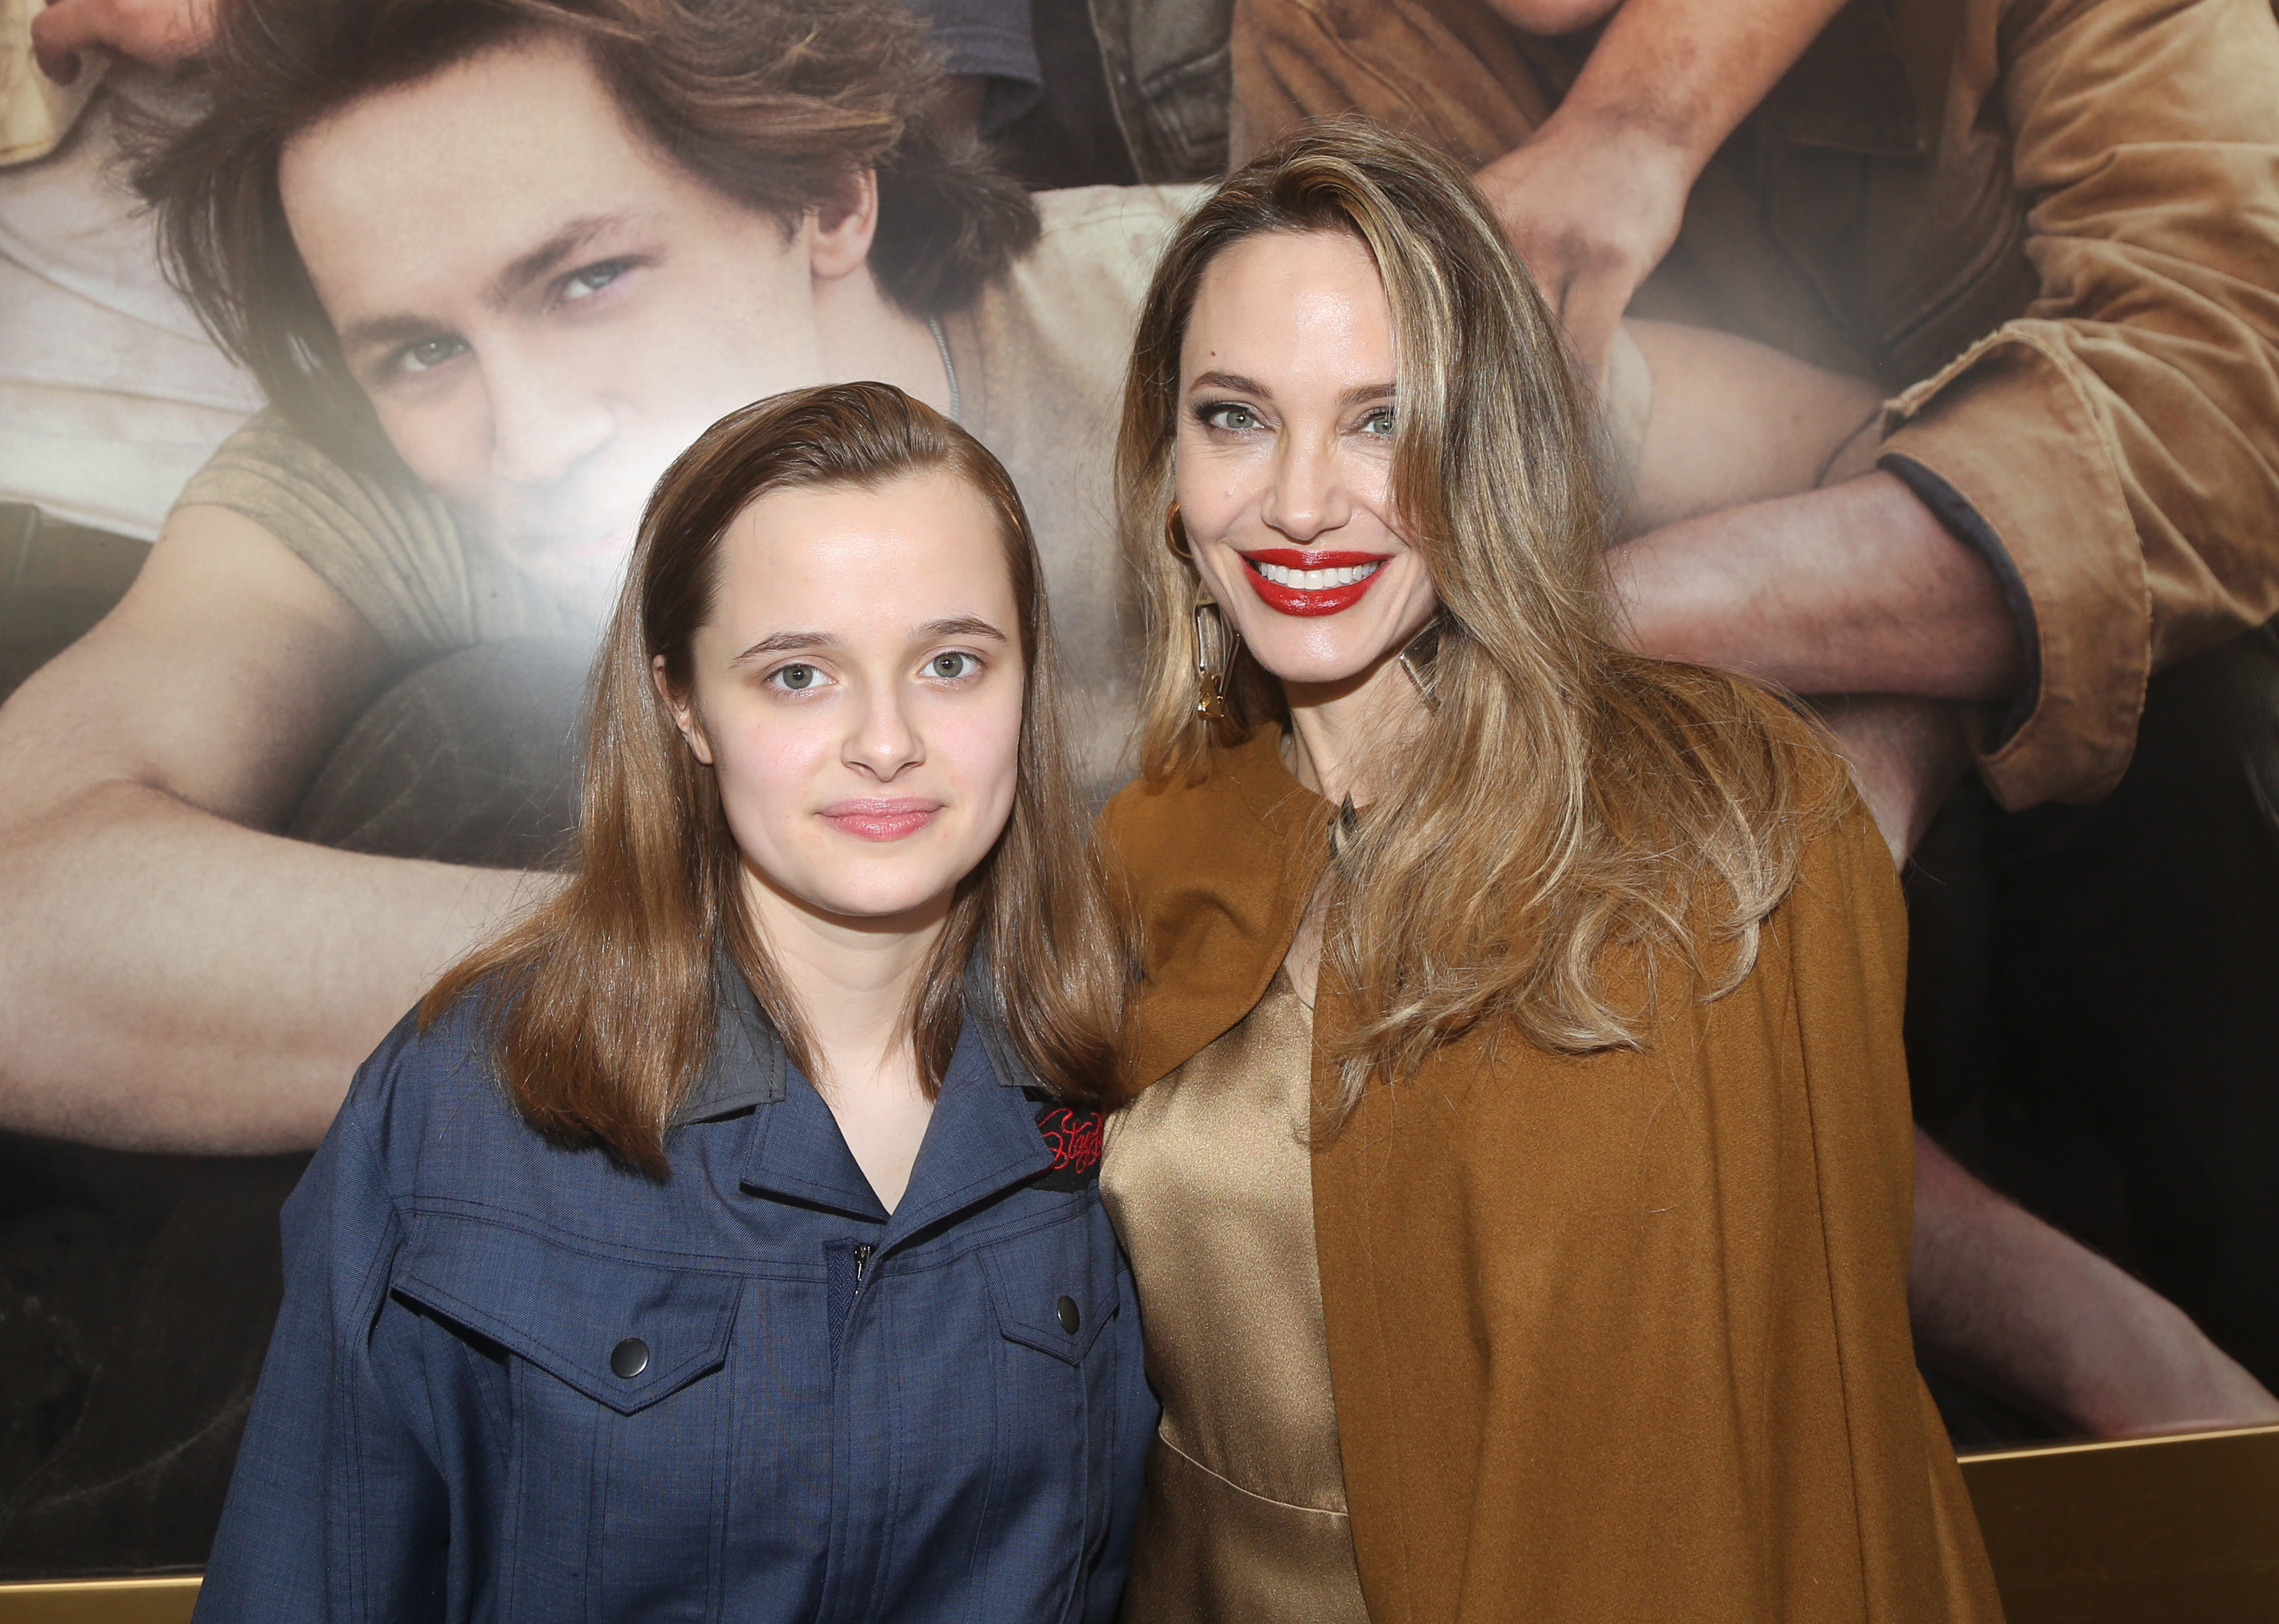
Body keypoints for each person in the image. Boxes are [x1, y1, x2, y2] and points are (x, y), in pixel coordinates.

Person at [1230, 0, 2279, 1442]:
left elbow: (2229, 409)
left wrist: (1625, 617)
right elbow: (1409, 615)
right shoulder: (1343, 36)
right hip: (1688, 836)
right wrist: (2078, 1332)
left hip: (2145, 782)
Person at [1095, 120, 2002, 1620]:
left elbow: (1808, 1443)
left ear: (1494, 433)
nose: (1302, 500)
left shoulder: (1716, 827)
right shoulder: (1139, 854)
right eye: (1238, 416)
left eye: (1384, 420)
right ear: (1169, 461)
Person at [194, 381, 1153, 1621]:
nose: (885, 739)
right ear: (683, 702)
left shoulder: (1116, 1080)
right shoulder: (463, 1102)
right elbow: (305, 1584)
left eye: (952, 662)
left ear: (1026, 687)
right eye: (799, 674)